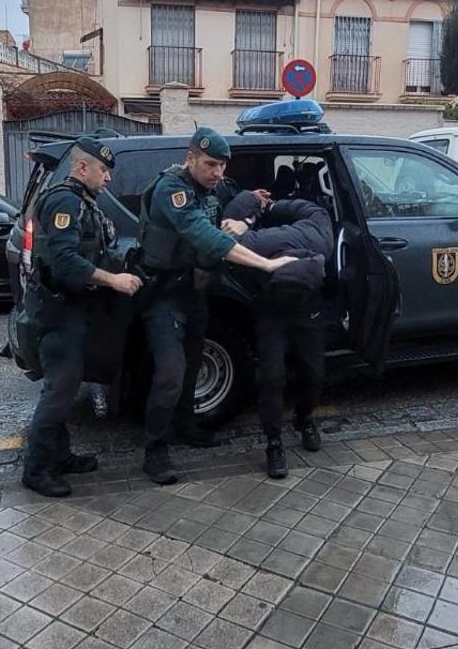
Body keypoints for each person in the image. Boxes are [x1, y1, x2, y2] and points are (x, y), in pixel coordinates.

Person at [134, 127, 295, 485]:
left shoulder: (212, 186)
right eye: (210, 164)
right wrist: (265, 263)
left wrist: (252, 200)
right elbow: (204, 236)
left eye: (222, 165)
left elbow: (231, 196)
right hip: (164, 295)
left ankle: (187, 425)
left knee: (192, 364)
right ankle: (155, 449)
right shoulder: (171, 189)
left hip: (196, 292)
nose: (217, 172)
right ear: (190, 158)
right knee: (171, 372)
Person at [20, 138, 143, 498]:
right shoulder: (64, 201)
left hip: (71, 308)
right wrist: (112, 280)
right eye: (103, 170)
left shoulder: (82, 202)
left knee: (66, 385)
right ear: (82, 167)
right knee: (59, 390)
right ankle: (37, 469)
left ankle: (59, 455)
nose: (108, 179)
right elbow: (64, 260)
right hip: (58, 311)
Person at [222, 190, 332, 478]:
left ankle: (304, 418)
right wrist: (263, 209)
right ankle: (273, 442)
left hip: (308, 309)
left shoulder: (249, 239)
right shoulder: (257, 242)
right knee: (272, 376)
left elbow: (230, 225)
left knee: (313, 371)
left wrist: (254, 212)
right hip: (270, 309)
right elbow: (300, 205)